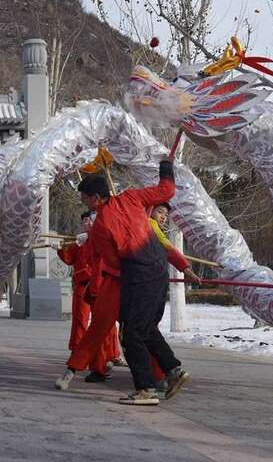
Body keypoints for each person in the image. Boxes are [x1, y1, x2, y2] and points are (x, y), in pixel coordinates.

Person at [55, 159, 200, 406]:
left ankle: (146, 389)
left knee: (131, 333)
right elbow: (167, 191)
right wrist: (166, 167)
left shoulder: (101, 226)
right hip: (158, 271)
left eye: (85, 198)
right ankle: (173, 371)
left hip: (136, 276)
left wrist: (102, 279)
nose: (83, 203)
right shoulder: (132, 197)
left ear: (96, 198)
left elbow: (113, 262)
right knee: (144, 329)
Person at [57, 210, 118, 383]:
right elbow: (69, 258)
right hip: (85, 285)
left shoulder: (104, 237)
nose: (89, 223)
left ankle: (108, 357)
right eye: (86, 221)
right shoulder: (80, 241)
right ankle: (82, 354)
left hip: (103, 286)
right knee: (81, 320)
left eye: (92, 221)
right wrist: (62, 248)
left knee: (104, 325)